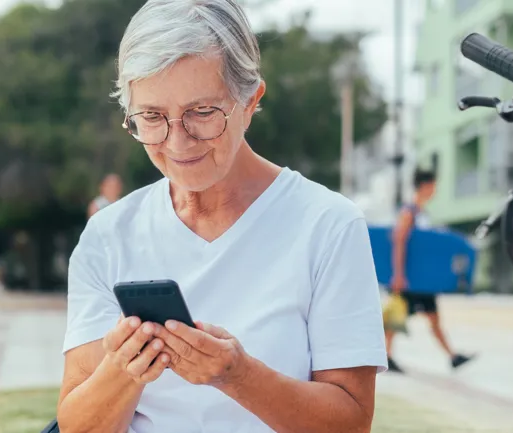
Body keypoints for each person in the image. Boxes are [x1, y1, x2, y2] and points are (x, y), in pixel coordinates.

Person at [56, 1, 387, 432]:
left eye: (201, 112)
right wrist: (123, 370)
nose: (177, 143)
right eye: (152, 117)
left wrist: (239, 376)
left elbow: (351, 422)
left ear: (251, 101)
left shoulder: (328, 226)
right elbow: (76, 425)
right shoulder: (107, 236)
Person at [385, 168, 474, 373]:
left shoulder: (421, 212)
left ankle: (452, 357)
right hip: (410, 279)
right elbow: (399, 240)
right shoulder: (410, 212)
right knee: (396, 318)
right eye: (434, 186)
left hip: (422, 281)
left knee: (431, 319)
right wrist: (398, 275)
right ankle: (387, 356)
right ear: (425, 186)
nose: (435, 190)